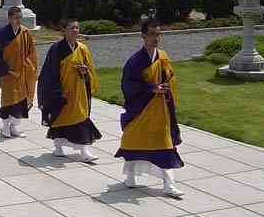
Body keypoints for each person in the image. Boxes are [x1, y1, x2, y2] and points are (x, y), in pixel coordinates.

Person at [115, 18, 184, 198]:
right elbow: (128, 85)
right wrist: (151, 88)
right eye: (152, 34)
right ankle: (130, 177)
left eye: (158, 34)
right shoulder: (135, 61)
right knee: (134, 141)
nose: (156, 38)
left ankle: (169, 185)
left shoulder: (163, 56)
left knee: (165, 145)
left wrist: (167, 88)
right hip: (141, 110)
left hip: (161, 110)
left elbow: (170, 77)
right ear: (143, 36)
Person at [37, 19, 102, 163]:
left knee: (81, 118)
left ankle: (84, 150)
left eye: (77, 28)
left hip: (79, 92)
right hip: (63, 93)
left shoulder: (83, 49)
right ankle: (58, 146)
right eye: (71, 28)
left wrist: (85, 73)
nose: (75, 31)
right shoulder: (56, 49)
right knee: (61, 120)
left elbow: (90, 71)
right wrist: (58, 93)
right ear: (64, 31)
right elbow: (50, 73)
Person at [0, 6, 37, 138]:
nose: (19, 20)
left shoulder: (25, 33)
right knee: (9, 101)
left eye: (20, 18)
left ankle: (14, 126)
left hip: (23, 72)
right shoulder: (1, 34)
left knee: (21, 102)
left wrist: (29, 65)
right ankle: (5, 126)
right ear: (9, 19)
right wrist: (3, 67)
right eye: (16, 18)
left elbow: (31, 53)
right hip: (7, 73)